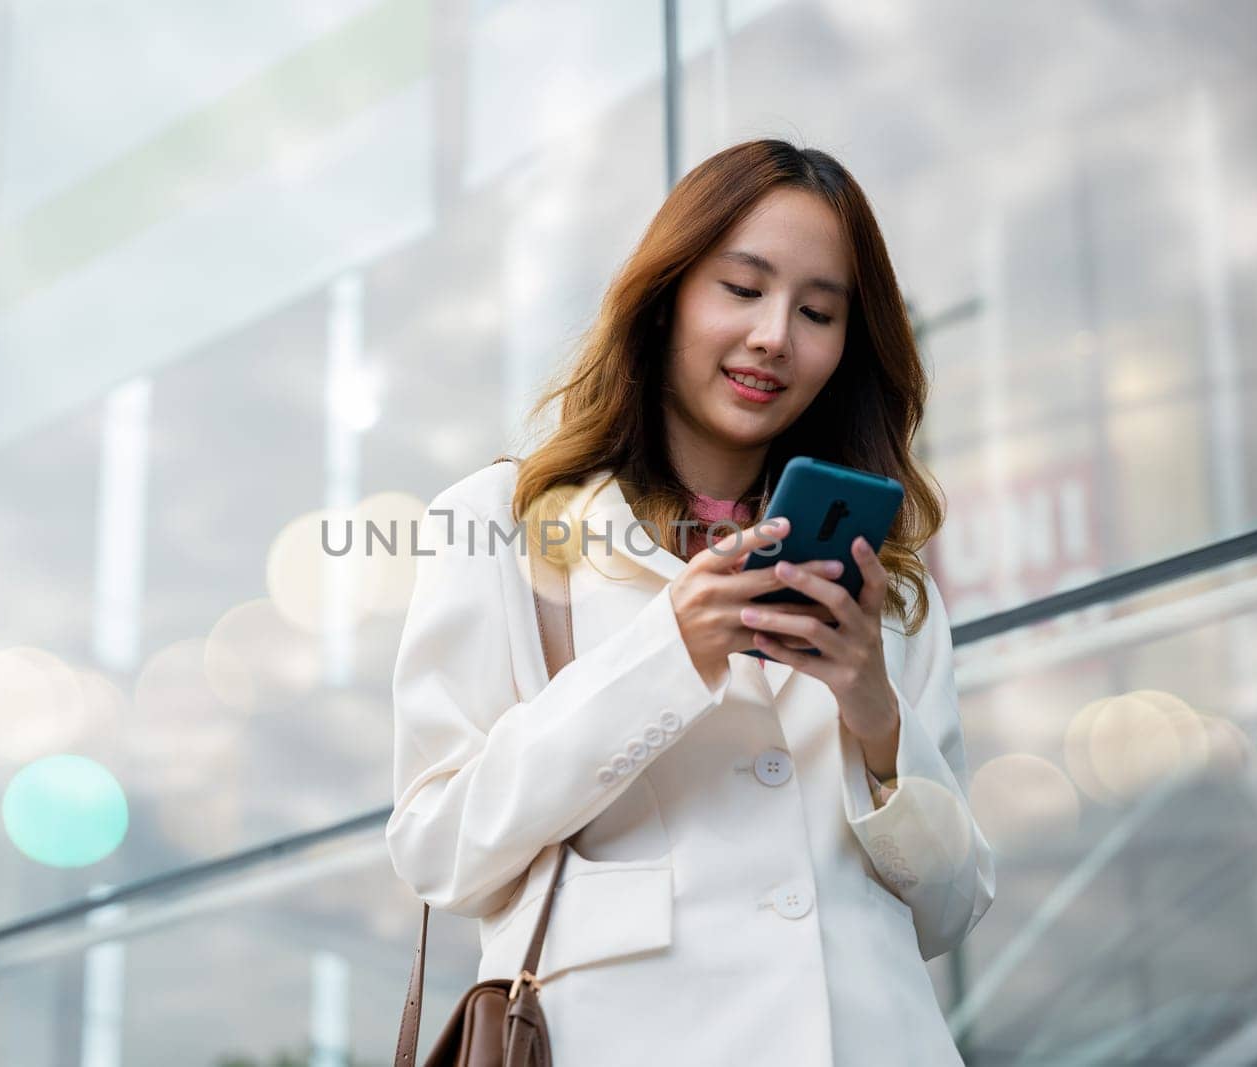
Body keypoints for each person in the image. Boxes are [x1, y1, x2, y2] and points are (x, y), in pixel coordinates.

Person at [385, 139, 995, 1065]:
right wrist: (668, 652)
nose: (774, 337)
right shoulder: (500, 525)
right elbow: (439, 850)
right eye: (742, 289)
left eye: (819, 311)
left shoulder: (883, 587)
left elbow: (950, 907)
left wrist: (874, 711)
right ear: (667, 296)